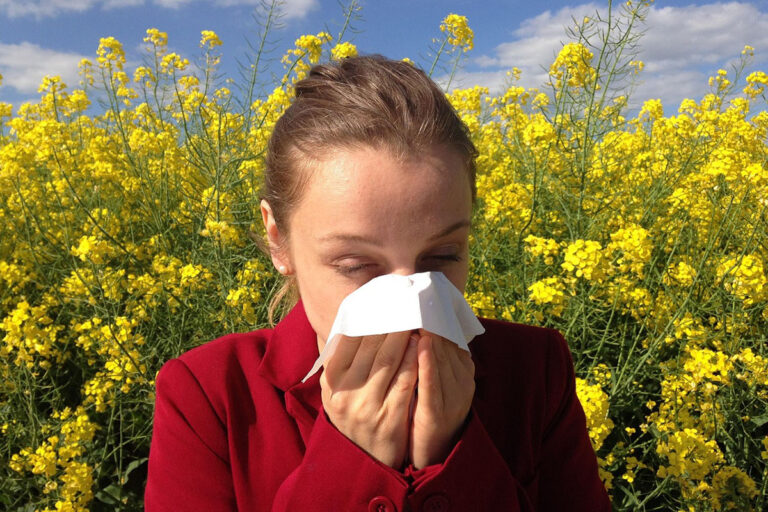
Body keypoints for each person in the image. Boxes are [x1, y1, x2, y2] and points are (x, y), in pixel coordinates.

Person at [144, 54, 611, 511]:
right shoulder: (210, 396)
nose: (411, 304)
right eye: (355, 264)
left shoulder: (533, 372)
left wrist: (450, 454)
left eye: (442, 256)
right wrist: (351, 461)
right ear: (279, 241)